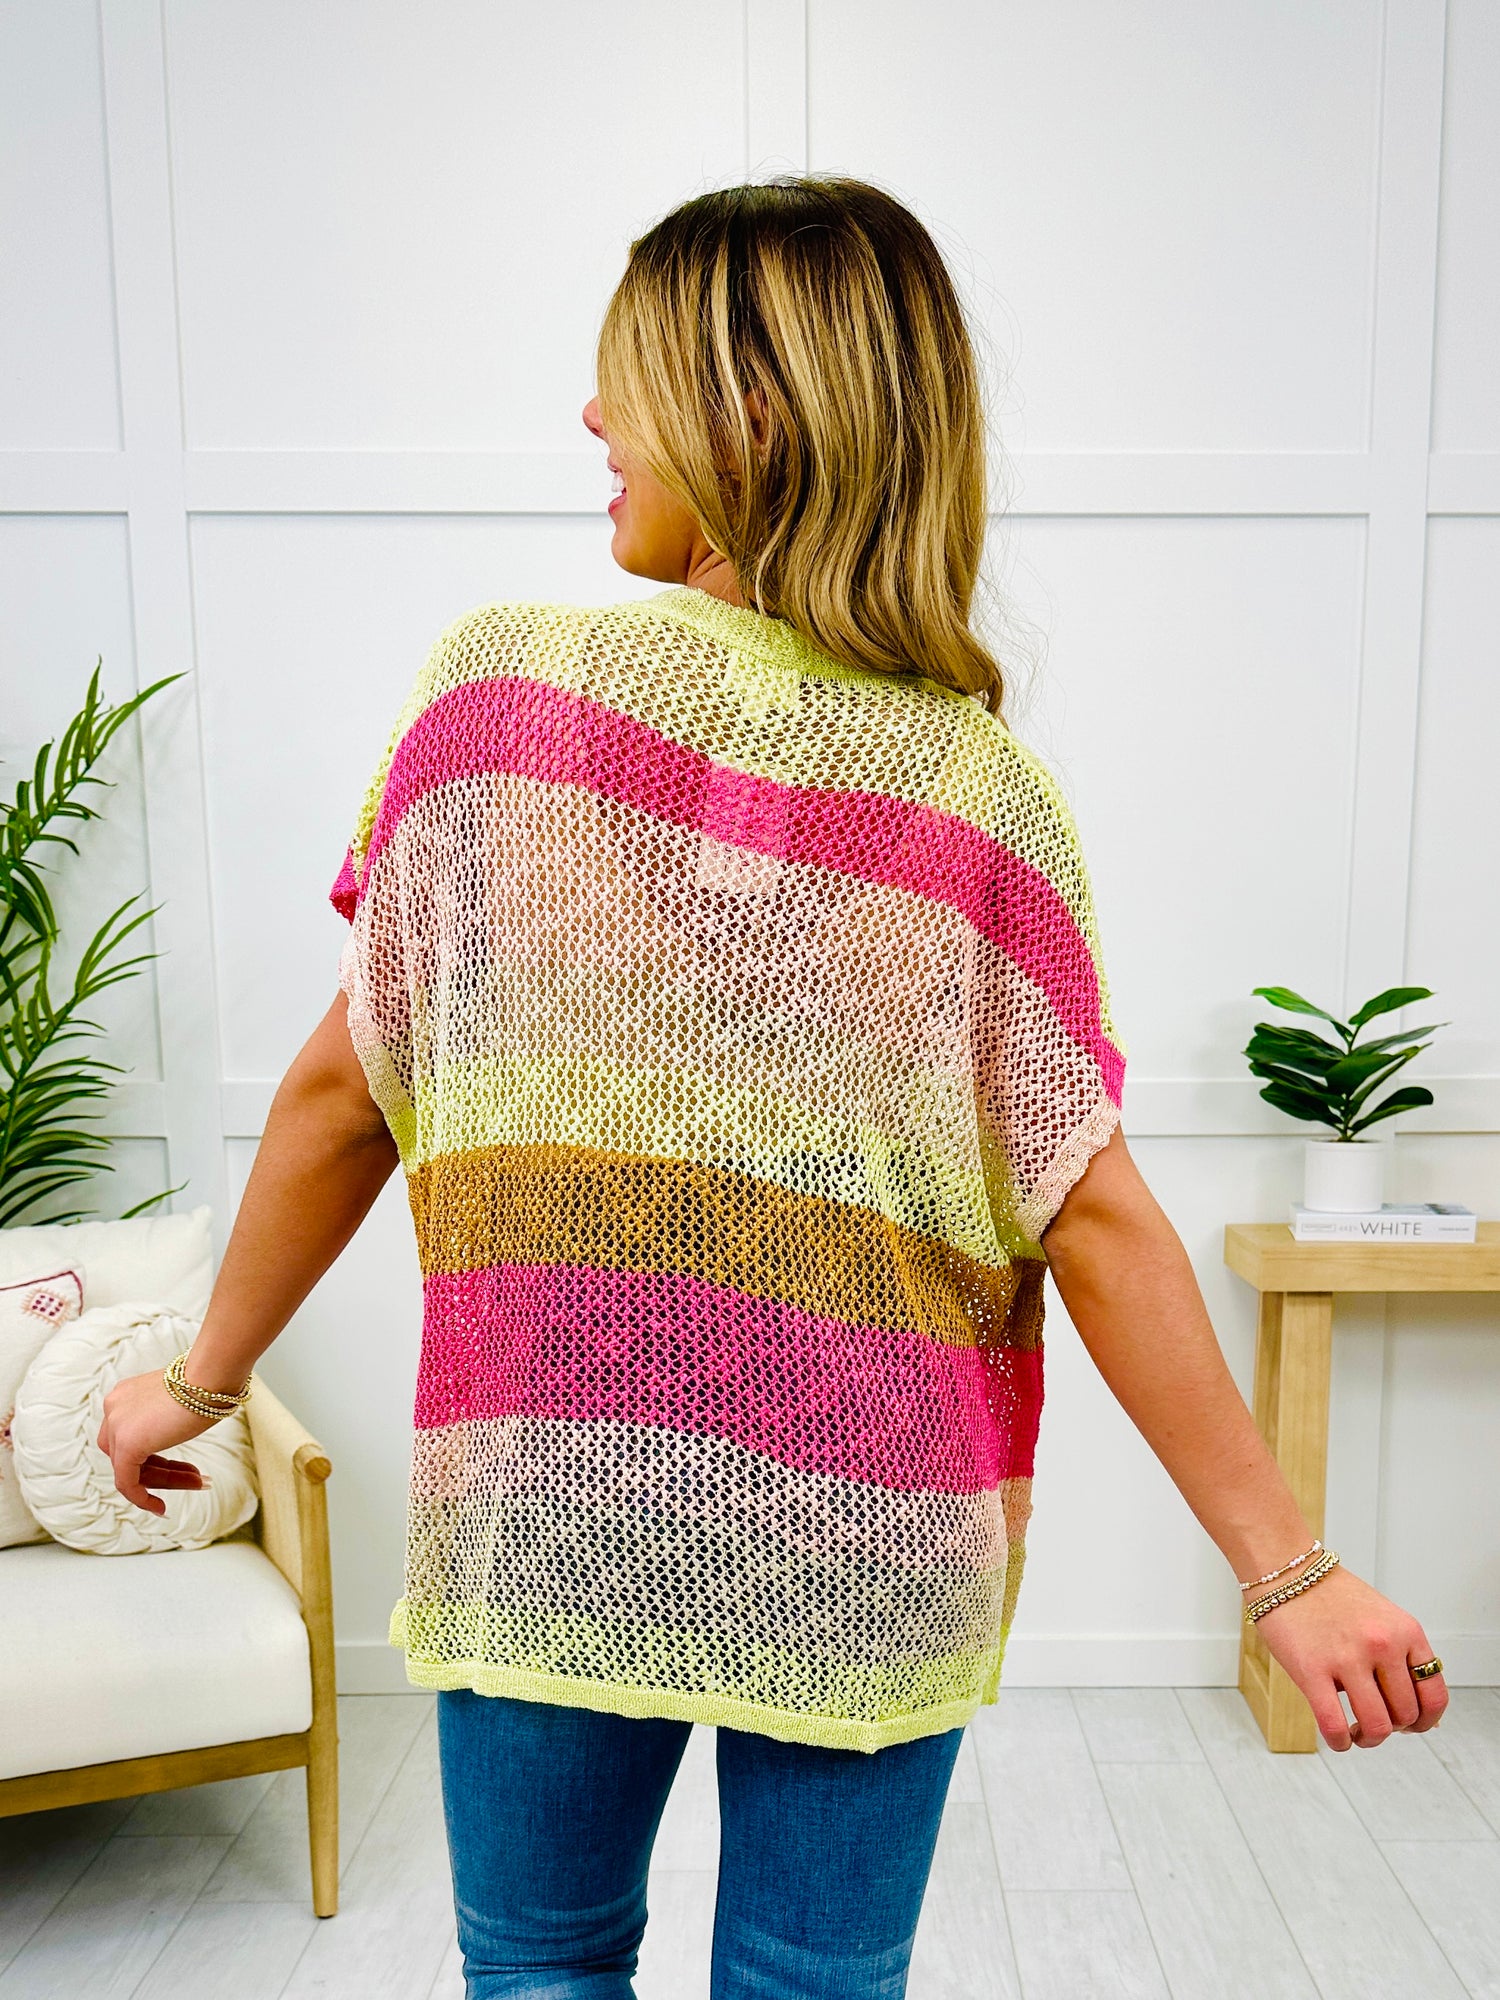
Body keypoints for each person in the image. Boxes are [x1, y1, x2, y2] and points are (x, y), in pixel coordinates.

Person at [97, 175, 1447, 2000]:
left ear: (748, 410)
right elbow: (1097, 1214)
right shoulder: (980, 801)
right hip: (871, 1546)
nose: (593, 416)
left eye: (629, 380)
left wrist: (195, 1379)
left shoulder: (501, 706)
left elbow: (348, 1097)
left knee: (543, 1972)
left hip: (552, 1510)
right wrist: (1288, 1571)